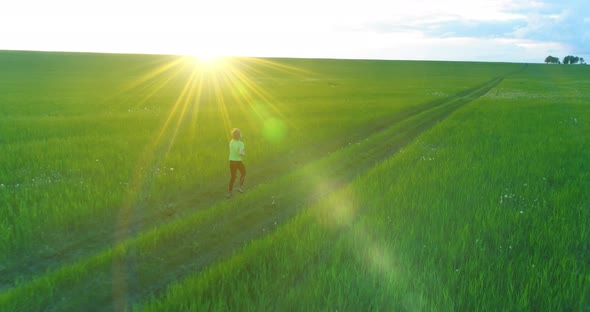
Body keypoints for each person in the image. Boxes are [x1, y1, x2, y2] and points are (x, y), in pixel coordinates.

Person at [227, 128, 246, 198]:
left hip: (231, 161)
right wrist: (243, 153)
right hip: (238, 162)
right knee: (243, 173)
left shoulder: (231, 142)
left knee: (233, 177)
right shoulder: (241, 144)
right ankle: (240, 187)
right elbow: (241, 153)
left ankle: (229, 192)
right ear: (239, 135)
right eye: (240, 133)